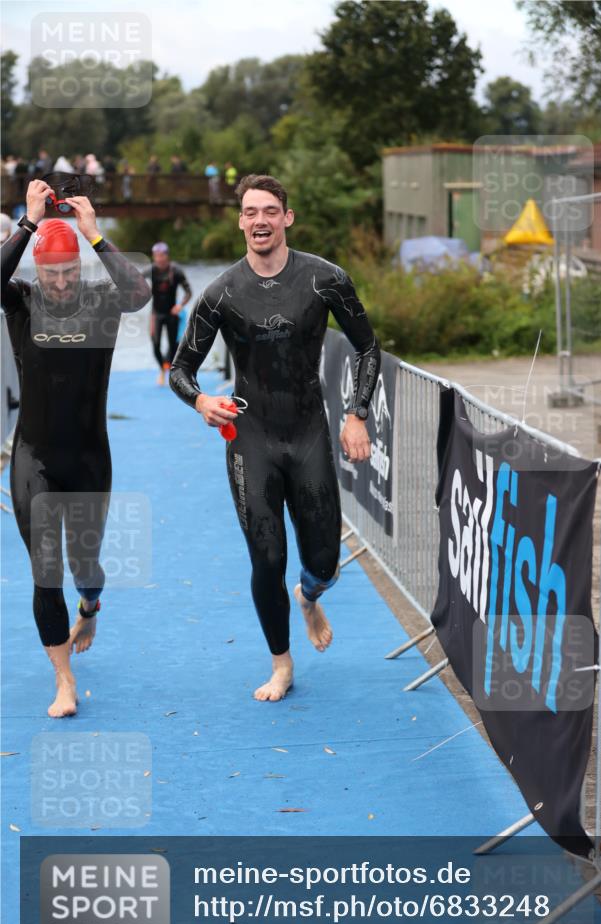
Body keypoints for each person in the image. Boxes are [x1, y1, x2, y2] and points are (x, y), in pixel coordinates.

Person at [170, 174, 380, 702]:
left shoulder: (325, 279)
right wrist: (200, 401)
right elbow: (180, 370)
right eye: (249, 212)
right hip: (251, 438)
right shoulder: (220, 293)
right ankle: (281, 665)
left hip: (307, 432)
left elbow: (368, 349)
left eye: (269, 211)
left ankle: (309, 597)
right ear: (240, 221)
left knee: (326, 563)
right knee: (266, 558)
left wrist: (357, 414)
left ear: (286, 218)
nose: (259, 220)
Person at [0, 179, 151, 717]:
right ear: (37, 270)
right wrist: (29, 222)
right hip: (34, 459)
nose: (60, 283)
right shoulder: (22, 304)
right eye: (51, 273)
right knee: (46, 571)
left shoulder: (101, 303)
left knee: (84, 566)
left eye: (68, 272)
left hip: (89, 460)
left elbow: (140, 294)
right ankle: (63, 681)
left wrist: (94, 235)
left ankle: (91, 605)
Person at [144, 242, 192, 385]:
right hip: (156, 314)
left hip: (172, 313)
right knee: (155, 344)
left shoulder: (176, 271)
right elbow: (135, 281)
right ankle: (162, 369)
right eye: (156, 256)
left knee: (173, 346)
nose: (159, 259)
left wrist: (180, 305)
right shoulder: (150, 270)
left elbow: (189, 292)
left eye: (161, 256)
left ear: (166, 256)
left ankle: (168, 368)